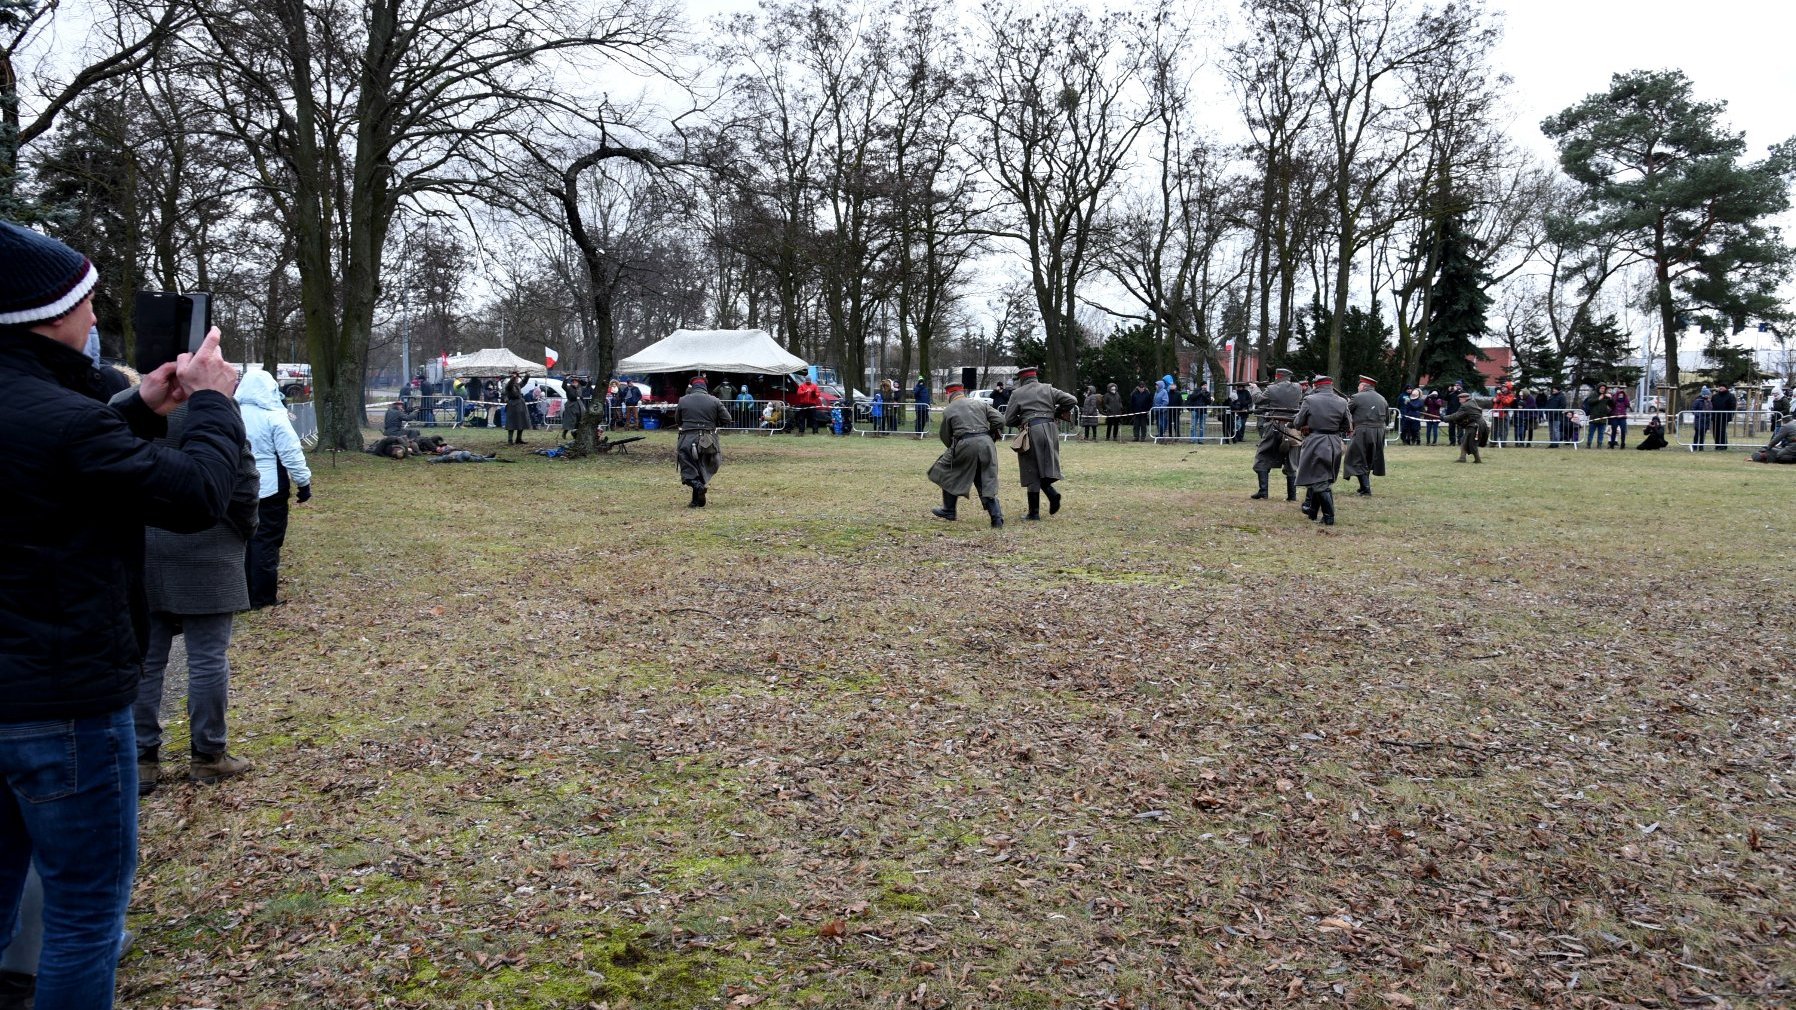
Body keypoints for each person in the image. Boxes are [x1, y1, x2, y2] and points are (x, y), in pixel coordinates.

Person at [1, 219, 246, 1010]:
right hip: (62, 701)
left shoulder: (43, 409)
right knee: (83, 916)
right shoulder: (64, 419)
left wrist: (139, 405)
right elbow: (197, 495)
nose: (96, 314)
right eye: (89, 299)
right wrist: (209, 406)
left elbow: (52, 453)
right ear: (49, 311)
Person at [134, 402, 263, 794]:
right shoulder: (214, 412)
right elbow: (244, 482)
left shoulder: (139, 408)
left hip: (148, 545)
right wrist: (246, 528)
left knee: (147, 660)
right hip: (211, 544)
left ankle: (140, 759)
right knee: (207, 658)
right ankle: (208, 756)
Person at [237, 369, 313, 609]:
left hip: (235, 488)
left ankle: (240, 594)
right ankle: (262, 597)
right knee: (267, 540)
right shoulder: (274, 417)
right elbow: (291, 453)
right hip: (268, 488)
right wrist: (304, 483)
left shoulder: (232, 413)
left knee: (241, 541)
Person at [1002, 365, 1079, 520]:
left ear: (1022, 379)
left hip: (1031, 430)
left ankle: (1035, 512)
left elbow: (1008, 419)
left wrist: (1023, 420)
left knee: (1031, 468)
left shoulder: (1017, 393)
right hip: (1051, 430)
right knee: (1046, 465)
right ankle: (1051, 495)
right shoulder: (1049, 389)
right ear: (1035, 377)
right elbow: (1072, 400)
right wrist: (1056, 412)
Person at [927, 381, 1005, 527]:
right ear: (962, 392)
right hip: (987, 444)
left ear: (949, 394)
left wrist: (954, 449)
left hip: (965, 444)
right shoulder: (980, 404)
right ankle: (997, 518)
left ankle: (949, 510)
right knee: (985, 479)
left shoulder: (949, 410)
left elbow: (945, 435)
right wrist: (991, 434)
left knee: (947, 471)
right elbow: (1000, 420)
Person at [1291, 375, 1351, 526]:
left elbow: (1298, 423)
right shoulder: (1342, 401)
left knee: (1320, 482)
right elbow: (1347, 426)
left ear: (1316, 386)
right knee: (1320, 478)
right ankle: (1312, 512)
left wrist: (1307, 426)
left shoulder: (1310, 400)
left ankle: (1329, 517)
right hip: (1335, 442)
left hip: (1316, 442)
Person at [676, 375, 732, 507]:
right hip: (708, 438)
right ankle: (697, 500)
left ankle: (698, 488)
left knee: (688, 467)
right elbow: (727, 419)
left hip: (688, 437)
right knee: (703, 467)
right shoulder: (714, 400)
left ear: (692, 386)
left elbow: (678, 420)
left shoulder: (683, 400)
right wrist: (713, 423)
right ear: (705, 386)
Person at [1250, 367, 1302, 501]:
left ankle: (1263, 492)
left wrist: (1255, 388)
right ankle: (1292, 496)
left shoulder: (1272, 389)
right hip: (1292, 428)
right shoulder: (1298, 387)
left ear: (1277, 377)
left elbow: (1258, 400)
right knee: (1291, 461)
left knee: (1262, 455)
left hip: (1274, 427)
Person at [1342, 375, 1388, 496]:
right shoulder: (1382, 398)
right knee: (1369, 459)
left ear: (1363, 386)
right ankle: (1363, 487)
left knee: (1355, 458)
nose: (1358, 387)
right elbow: (1386, 416)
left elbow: (1346, 413)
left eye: (1359, 385)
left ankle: (1366, 489)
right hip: (1379, 431)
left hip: (1363, 431)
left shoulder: (1357, 397)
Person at [1442, 391, 1485, 463]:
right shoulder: (1471, 403)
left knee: (1472, 443)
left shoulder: (1466, 406)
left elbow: (1456, 415)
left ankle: (1477, 459)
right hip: (1476, 425)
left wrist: (1444, 418)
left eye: (1460, 398)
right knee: (1464, 441)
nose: (1459, 400)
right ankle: (1462, 458)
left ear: (1465, 398)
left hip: (1474, 426)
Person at [503, 371, 529, 444]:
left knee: (521, 423)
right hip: (512, 406)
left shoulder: (517, 385)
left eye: (517, 377)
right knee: (511, 424)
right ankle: (510, 440)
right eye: (516, 377)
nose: (517, 378)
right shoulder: (509, 385)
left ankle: (518, 439)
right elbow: (510, 384)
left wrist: (527, 375)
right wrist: (513, 377)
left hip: (520, 406)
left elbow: (524, 382)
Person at [1710, 383, 1737, 451]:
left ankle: (1723, 445)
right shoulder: (1715, 396)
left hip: (1724, 417)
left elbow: (1733, 407)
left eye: (1722, 386)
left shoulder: (1730, 396)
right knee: (1715, 431)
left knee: (1722, 431)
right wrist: (1712, 415)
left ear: (1726, 388)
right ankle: (1717, 445)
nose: (1721, 388)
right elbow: (1711, 406)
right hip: (1715, 417)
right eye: (1720, 386)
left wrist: (1730, 416)